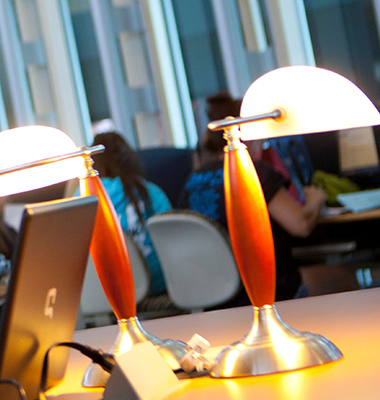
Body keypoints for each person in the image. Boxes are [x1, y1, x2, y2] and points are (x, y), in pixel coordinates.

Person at [179, 93, 326, 301]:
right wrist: (316, 199)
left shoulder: (194, 179)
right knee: (346, 277)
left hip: (217, 295)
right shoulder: (252, 172)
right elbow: (300, 225)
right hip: (268, 288)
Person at [91, 131, 172, 295]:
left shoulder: (82, 197)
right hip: (156, 286)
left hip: (104, 292)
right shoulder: (150, 193)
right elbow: (173, 241)